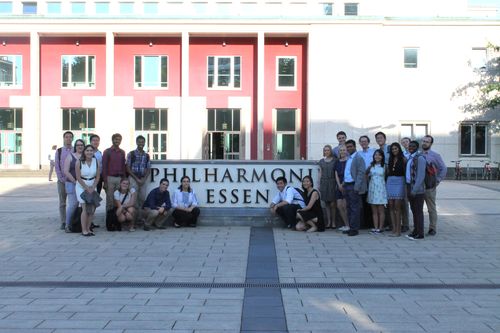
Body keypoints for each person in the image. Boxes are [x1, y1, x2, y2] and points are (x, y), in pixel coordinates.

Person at [421, 135, 447, 236]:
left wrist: (437, 180)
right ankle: (419, 227)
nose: (424, 143)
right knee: (418, 208)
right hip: (419, 186)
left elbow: (443, 169)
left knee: (431, 208)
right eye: (423, 141)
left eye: (427, 142)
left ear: (431, 144)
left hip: (429, 186)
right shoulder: (418, 154)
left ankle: (432, 228)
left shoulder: (435, 155)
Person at [341, 140, 367, 236]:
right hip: (347, 185)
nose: (349, 148)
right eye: (347, 147)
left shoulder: (358, 158)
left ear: (355, 147)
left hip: (353, 185)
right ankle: (351, 227)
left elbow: (361, 173)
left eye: (350, 146)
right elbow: (348, 172)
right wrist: (344, 184)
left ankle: (355, 229)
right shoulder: (349, 158)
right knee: (349, 207)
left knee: (354, 208)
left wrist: (357, 186)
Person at [75, 144, 101, 236]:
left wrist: (93, 187)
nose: (89, 152)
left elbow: (98, 176)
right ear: (84, 152)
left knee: (93, 208)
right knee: (85, 208)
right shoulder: (79, 162)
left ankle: (89, 228)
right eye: (87, 150)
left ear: (93, 152)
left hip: (92, 185)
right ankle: (84, 230)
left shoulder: (96, 161)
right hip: (81, 186)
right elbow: (78, 177)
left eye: (91, 150)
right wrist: (86, 188)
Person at [126, 135, 151, 223]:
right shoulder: (131, 154)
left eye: (142, 142)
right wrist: (136, 179)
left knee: (142, 199)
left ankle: (139, 218)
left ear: (144, 143)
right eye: (139, 141)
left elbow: (148, 169)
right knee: (134, 199)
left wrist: (143, 179)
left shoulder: (146, 155)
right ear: (136, 142)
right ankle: (133, 219)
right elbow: (128, 168)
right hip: (133, 178)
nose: (141, 143)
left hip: (143, 179)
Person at [406, 140, 426, 240]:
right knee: (414, 211)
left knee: (418, 211)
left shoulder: (420, 158)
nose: (411, 147)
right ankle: (415, 230)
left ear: (417, 147)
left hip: (417, 189)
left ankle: (420, 233)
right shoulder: (410, 157)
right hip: (410, 186)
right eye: (410, 146)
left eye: (413, 146)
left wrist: (415, 189)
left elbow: (421, 176)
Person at [63, 139, 84, 233]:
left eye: (82, 145)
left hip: (83, 184)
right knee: (73, 204)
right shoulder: (70, 156)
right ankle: (67, 225)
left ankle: (80, 224)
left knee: (83, 204)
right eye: (78, 145)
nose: (80, 146)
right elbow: (66, 171)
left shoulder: (85, 156)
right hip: (71, 183)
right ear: (75, 146)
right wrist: (75, 181)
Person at [386, 142, 406, 237]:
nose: (394, 150)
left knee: (397, 207)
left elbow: (406, 173)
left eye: (396, 148)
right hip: (390, 182)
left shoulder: (403, 159)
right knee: (391, 206)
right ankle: (394, 229)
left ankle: (398, 230)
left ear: (399, 149)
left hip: (399, 182)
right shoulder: (390, 159)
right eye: (393, 149)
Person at [55, 131, 74, 229]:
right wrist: (61, 178)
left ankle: (71, 220)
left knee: (73, 202)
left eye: (70, 137)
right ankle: (63, 221)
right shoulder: (59, 151)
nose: (68, 139)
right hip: (62, 181)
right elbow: (57, 166)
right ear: (63, 138)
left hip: (72, 180)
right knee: (62, 202)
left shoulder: (75, 150)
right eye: (66, 137)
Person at [102, 133, 126, 212]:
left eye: (119, 140)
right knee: (110, 200)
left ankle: (116, 220)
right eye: (116, 139)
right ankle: (109, 221)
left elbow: (123, 166)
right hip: (110, 179)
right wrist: (105, 181)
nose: (117, 141)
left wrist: (123, 179)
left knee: (118, 200)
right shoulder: (107, 152)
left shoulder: (122, 152)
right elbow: (104, 167)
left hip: (119, 179)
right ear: (112, 140)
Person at [366, 149, 388, 234]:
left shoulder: (385, 166)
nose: (377, 156)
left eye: (379, 155)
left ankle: (380, 227)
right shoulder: (371, 166)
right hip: (372, 189)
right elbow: (366, 174)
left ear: (382, 156)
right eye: (375, 155)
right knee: (374, 211)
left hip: (381, 189)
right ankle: (375, 227)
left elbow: (387, 177)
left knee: (381, 210)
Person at [318, 144, 337, 228]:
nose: (326, 152)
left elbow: (336, 172)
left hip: (332, 182)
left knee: (333, 203)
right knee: (326, 203)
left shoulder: (335, 160)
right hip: (324, 182)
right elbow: (320, 173)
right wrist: (319, 183)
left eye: (328, 150)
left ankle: (334, 222)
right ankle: (329, 222)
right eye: (325, 150)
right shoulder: (321, 161)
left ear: (331, 151)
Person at [358, 135, 375, 230]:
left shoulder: (373, 151)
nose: (363, 143)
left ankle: (372, 223)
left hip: (372, 178)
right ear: (360, 143)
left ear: (368, 142)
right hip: (362, 179)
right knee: (364, 200)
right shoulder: (358, 153)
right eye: (362, 141)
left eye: (365, 141)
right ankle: (365, 223)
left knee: (372, 200)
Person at [335, 145, 350, 232]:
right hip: (339, 185)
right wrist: (339, 184)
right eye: (341, 150)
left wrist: (343, 184)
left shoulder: (349, 161)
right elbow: (336, 174)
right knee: (339, 206)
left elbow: (348, 173)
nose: (342, 151)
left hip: (347, 184)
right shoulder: (337, 162)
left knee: (345, 206)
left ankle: (349, 225)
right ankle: (345, 224)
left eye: (344, 150)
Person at [400, 136, 412, 233]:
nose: (405, 144)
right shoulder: (402, 154)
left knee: (415, 204)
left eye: (406, 142)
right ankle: (405, 224)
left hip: (413, 182)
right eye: (403, 142)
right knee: (404, 203)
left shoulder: (416, 154)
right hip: (404, 181)